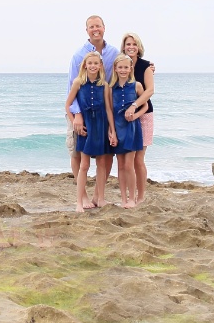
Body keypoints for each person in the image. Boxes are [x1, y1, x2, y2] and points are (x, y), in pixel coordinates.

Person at [66, 15, 119, 180]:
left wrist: (148, 68)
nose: (95, 29)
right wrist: (77, 114)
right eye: (92, 27)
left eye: (98, 26)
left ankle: (100, 187)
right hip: (81, 110)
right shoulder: (78, 55)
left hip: (103, 111)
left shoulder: (114, 53)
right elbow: (71, 88)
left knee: (106, 152)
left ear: (104, 28)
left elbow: (127, 67)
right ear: (87, 30)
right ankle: (80, 188)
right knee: (77, 152)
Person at [65, 51, 117, 212]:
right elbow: (68, 105)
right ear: (85, 65)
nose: (93, 66)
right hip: (85, 128)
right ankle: (79, 202)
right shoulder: (78, 82)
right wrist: (75, 123)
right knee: (84, 165)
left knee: (101, 163)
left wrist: (112, 130)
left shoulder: (105, 85)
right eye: (90, 63)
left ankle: (100, 198)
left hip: (101, 126)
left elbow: (108, 110)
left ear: (100, 65)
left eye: (96, 63)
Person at [108, 53, 146, 208]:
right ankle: (123, 198)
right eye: (120, 67)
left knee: (129, 165)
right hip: (118, 128)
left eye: (126, 67)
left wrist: (135, 115)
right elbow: (110, 111)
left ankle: (132, 198)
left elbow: (145, 105)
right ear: (115, 69)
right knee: (121, 165)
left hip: (132, 129)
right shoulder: (111, 88)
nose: (123, 70)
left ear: (131, 68)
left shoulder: (136, 85)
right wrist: (111, 132)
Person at [121, 33, 155, 204]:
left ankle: (141, 197)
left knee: (138, 159)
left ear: (139, 47)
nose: (131, 47)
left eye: (134, 44)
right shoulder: (121, 65)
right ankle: (129, 196)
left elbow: (150, 91)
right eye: (128, 44)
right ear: (124, 47)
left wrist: (134, 105)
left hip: (144, 114)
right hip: (126, 117)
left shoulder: (146, 66)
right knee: (127, 160)